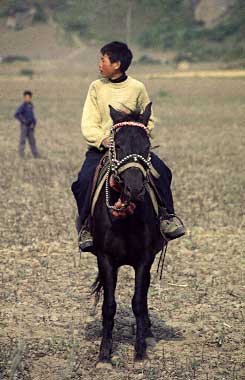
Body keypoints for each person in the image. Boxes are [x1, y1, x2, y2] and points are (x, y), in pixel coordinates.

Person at [71, 41, 185, 252]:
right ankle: (87, 226)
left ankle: (166, 217)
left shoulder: (137, 88)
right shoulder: (96, 87)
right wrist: (102, 139)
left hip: (133, 149)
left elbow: (149, 119)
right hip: (103, 148)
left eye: (102, 59)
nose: (99, 64)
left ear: (116, 64)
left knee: (162, 172)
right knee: (83, 181)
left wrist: (140, 134)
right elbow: (88, 122)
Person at [14, 90, 40, 159]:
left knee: (32, 142)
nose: (27, 99)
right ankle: (21, 156)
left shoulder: (31, 105)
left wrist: (34, 122)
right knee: (22, 141)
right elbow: (16, 114)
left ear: (30, 98)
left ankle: (36, 155)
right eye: (26, 97)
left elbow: (32, 115)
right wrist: (23, 121)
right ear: (24, 98)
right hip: (24, 127)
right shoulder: (22, 106)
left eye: (28, 97)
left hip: (31, 127)